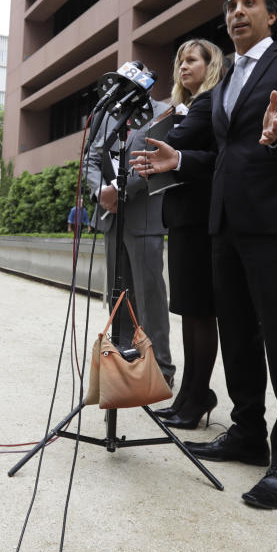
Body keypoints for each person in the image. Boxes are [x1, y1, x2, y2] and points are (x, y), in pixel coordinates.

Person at [134, 0, 277, 509]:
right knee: (239, 336)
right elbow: (224, 156)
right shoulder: (220, 88)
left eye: (250, 3)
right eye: (230, 6)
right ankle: (248, 432)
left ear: (272, 15)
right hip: (223, 225)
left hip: (273, 224)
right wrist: (181, 159)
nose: (237, 12)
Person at [142, 39, 226, 430]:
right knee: (189, 312)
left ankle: (197, 396)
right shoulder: (185, 108)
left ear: (209, 65)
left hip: (200, 219)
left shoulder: (208, 103)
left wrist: (173, 119)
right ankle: (190, 396)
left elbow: (171, 145)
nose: (182, 66)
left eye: (191, 60)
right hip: (182, 218)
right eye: (178, 60)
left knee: (200, 312)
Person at [83, 88, 174, 387]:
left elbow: (155, 160)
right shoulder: (109, 115)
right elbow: (91, 160)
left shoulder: (164, 110)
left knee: (150, 297)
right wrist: (100, 192)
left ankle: (159, 368)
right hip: (111, 219)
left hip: (144, 218)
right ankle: (123, 361)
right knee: (117, 295)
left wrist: (119, 192)